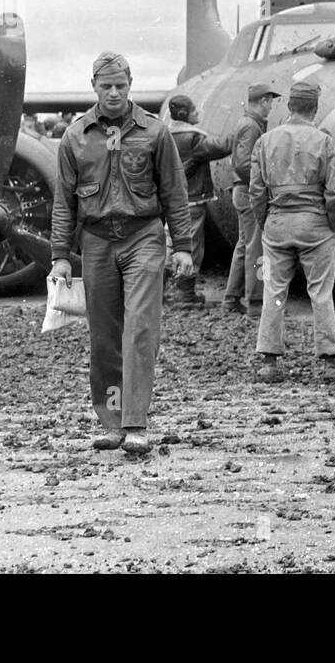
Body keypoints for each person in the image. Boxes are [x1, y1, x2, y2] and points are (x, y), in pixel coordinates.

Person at [49, 53, 193, 454]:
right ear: (93, 86)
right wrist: (60, 254)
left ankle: (136, 425)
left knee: (141, 328)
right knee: (104, 335)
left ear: (131, 85)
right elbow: (63, 201)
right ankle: (111, 423)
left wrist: (182, 246)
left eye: (121, 86)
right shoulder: (75, 137)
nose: (114, 94)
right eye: (106, 87)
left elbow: (174, 193)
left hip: (143, 237)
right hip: (95, 242)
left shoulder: (155, 132)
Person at [249, 81, 335, 382]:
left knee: (274, 292)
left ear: (289, 106)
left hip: (277, 224)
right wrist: (332, 223)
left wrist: (266, 221)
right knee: (320, 292)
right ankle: (331, 362)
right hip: (316, 224)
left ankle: (269, 361)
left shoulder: (265, 141)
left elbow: (256, 191)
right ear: (314, 108)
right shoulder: (324, 141)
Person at [164, 94, 231, 306]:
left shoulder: (164, 134)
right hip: (191, 202)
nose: (199, 113)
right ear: (185, 114)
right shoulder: (192, 138)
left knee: (168, 245)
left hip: (169, 201)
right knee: (192, 246)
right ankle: (184, 294)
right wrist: (243, 131)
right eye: (195, 110)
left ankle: (159, 291)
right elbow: (219, 147)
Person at [221, 83, 280, 318]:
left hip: (241, 192)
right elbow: (244, 164)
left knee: (244, 246)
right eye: (270, 102)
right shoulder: (252, 126)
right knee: (257, 249)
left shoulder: (246, 123)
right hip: (249, 194)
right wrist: (262, 184)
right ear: (264, 101)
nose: (272, 106)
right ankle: (256, 302)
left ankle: (231, 298)